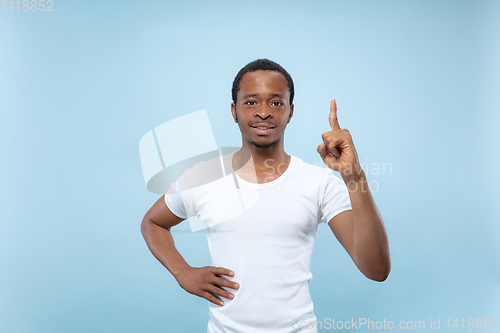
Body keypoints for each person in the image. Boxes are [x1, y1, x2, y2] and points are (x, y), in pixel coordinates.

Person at [141, 59, 391, 332]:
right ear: (234, 111)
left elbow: (376, 270)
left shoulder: (319, 183)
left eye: (275, 102)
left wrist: (354, 178)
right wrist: (182, 271)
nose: (263, 112)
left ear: (290, 111)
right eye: (251, 102)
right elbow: (153, 223)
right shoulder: (204, 177)